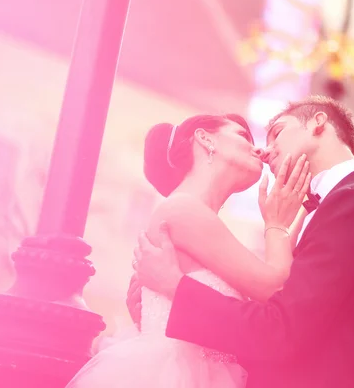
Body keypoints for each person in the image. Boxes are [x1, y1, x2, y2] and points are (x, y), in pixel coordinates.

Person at [134, 96, 354, 388]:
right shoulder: (348, 203)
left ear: (318, 123)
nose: (264, 150)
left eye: (277, 132)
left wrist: (175, 288)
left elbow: (282, 329)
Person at [66, 113, 311, 388]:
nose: (258, 149)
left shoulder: (198, 219)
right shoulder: (181, 209)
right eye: (243, 136)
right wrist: (276, 224)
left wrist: (299, 214)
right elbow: (275, 287)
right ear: (205, 138)